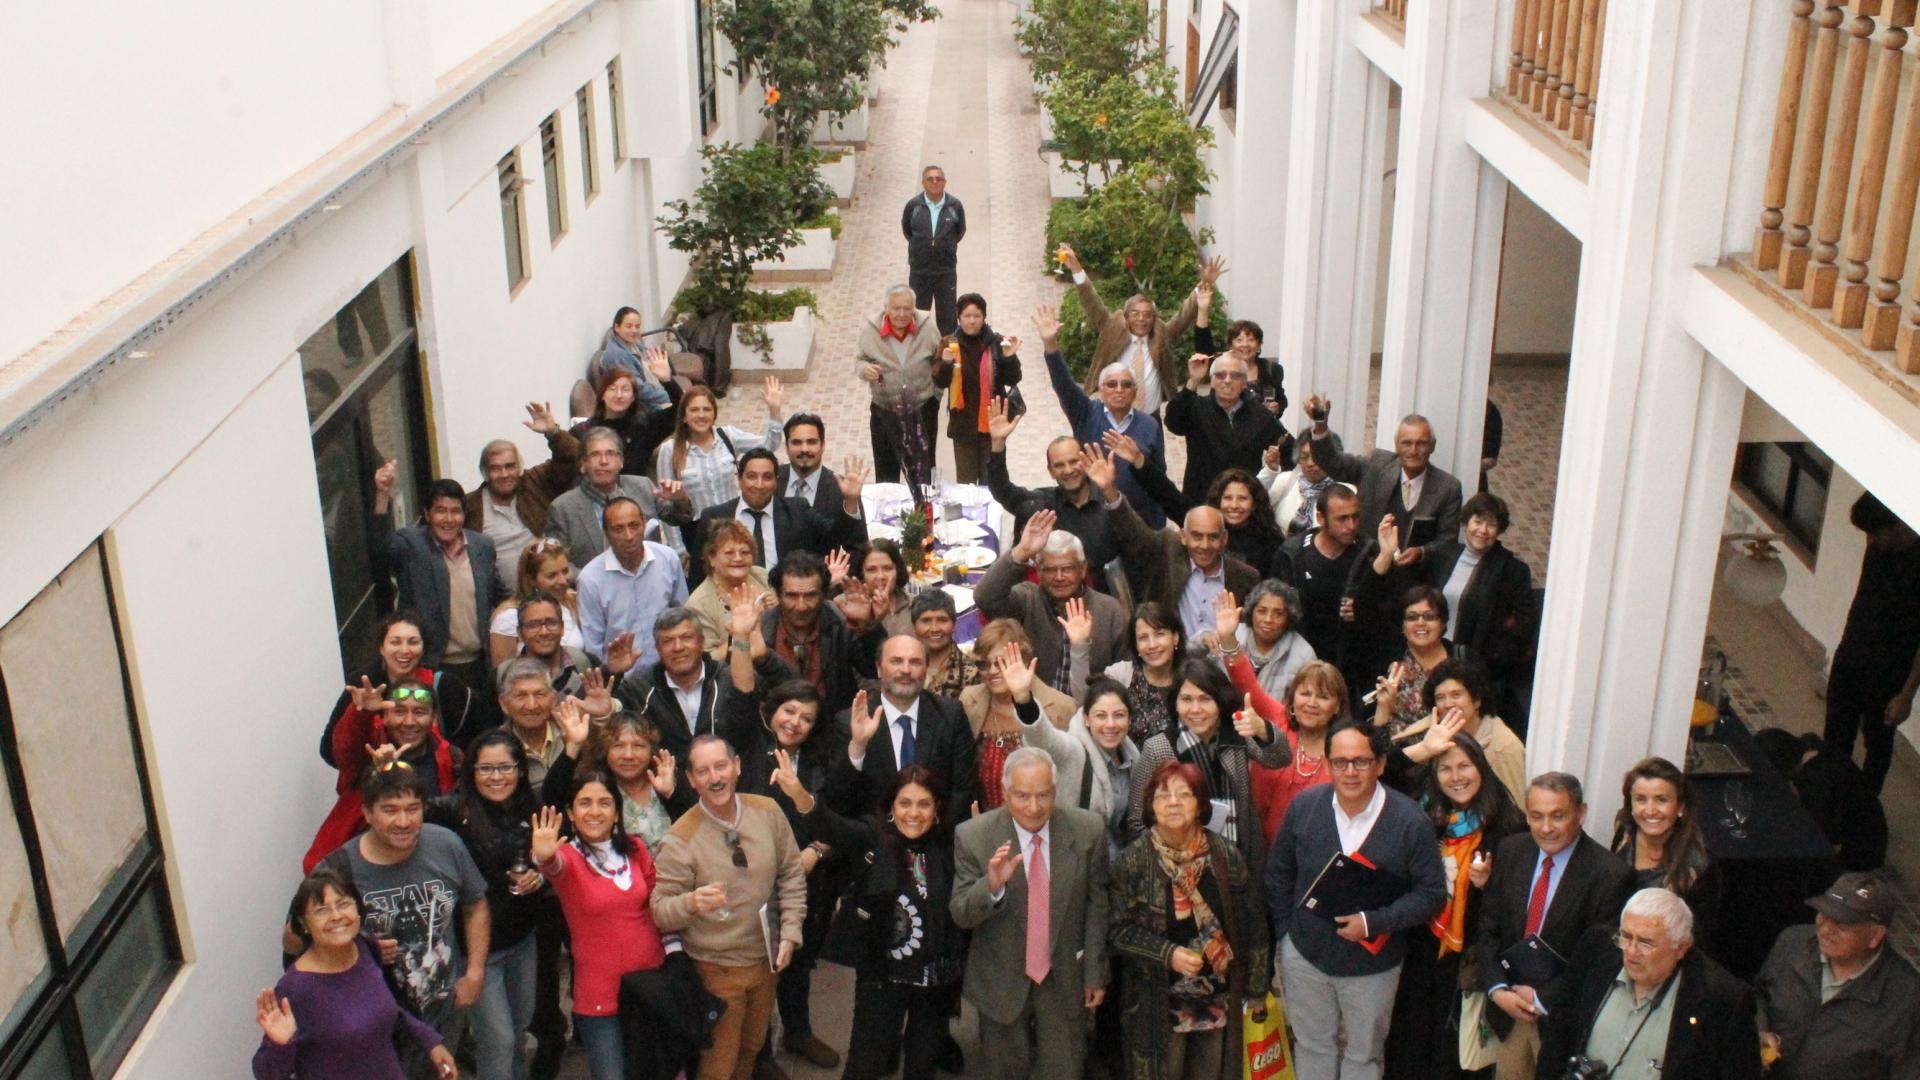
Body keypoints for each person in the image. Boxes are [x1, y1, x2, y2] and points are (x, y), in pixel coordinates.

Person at [1264, 720, 1450, 1080]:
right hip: (1305, 957)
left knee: (1363, 1057)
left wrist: (1374, 922)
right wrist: (1288, 934)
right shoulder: (1305, 807)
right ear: (1328, 763)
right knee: (1312, 1048)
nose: (1350, 771)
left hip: (1373, 968)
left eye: (1361, 761)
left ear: (1380, 764)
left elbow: (1431, 895)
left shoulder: (1410, 822)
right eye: (1340, 762)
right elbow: (1278, 874)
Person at [305, 765, 490, 1074]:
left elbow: (476, 905)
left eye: (412, 809)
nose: (403, 821)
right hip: (376, 1024)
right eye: (389, 810)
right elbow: (296, 939)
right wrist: (359, 945)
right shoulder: (338, 869)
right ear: (367, 813)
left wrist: (474, 973)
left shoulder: (447, 845)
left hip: (443, 1012)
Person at [650, 734, 810, 1080]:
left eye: (721, 766)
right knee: (719, 1063)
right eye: (703, 771)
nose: (715, 777)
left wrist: (791, 932)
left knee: (752, 1048)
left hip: (767, 961)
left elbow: (792, 873)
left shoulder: (767, 811)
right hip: (716, 970)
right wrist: (691, 902)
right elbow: (660, 910)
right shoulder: (681, 838)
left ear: (736, 767)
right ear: (691, 780)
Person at [950, 746, 1112, 1079]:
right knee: (1004, 1070)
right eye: (1022, 796)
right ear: (1006, 792)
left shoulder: (1088, 830)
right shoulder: (973, 835)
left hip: (1064, 974)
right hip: (1001, 976)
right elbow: (961, 914)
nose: (1034, 807)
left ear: (1055, 790)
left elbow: (1098, 904)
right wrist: (991, 886)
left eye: (1043, 795)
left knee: (1065, 1069)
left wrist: (1094, 970)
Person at [1109, 760, 1269, 1080]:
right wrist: (1169, 954)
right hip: (1155, 997)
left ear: (1200, 805)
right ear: (1151, 807)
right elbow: (1117, 930)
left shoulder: (1224, 855)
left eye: (1184, 795)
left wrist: (1256, 989)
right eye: (1163, 795)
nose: (1173, 803)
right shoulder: (1133, 860)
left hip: (1216, 994)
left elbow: (1252, 923)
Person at [1382, 732, 1526, 1080]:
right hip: (1418, 947)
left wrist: (1488, 885)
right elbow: (1382, 770)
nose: (1457, 777)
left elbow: (1517, 904)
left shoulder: (1508, 825)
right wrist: (1423, 749)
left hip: (1468, 958)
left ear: (1482, 768)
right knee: (1410, 1043)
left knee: (1453, 1057)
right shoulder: (1421, 815)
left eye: (1465, 766)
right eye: (1445, 768)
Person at [1478, 772, 1635, 1080]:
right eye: (1536, 816)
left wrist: (1541, 998)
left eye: (1557, 816)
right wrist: (1497, 989)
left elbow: (1601, 962)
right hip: (1510, 1012)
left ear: (1581, 813)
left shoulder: (1610, 875)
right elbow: (1488, 928)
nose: (1546, 828)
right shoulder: (1511, 851)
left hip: (1564, 1022)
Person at [253, 868, 456, 1080]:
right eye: (321, 910)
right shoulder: (295, 988)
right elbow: (266, 1074)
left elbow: (386, 1008)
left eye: (343, 904)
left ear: (358, 910)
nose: (336, 916)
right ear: (304, 925)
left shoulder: (365, 947)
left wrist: (430, 1042)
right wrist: (280, 1044)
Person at [530, 772, 669, 1080]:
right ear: (570, 812)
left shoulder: (635, 848)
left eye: (605, 803)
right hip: (600, 997)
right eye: (585, 803)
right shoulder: (566, 856)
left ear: (617, 811)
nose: (595, 811)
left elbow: (659, 903)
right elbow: (553, 867)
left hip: (650, 987)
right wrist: (542, 856)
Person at [1537, 889, 1762, 1080]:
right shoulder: (1596, 951)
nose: (1632, 952)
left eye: (1646, 942)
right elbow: (1558, 1033)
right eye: (1626, 936)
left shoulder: (1722, 999)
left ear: (1681, 948)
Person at [832, 766, 968, 1080]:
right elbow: (831, 825)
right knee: (865, 1065)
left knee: (921, 1068)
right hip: (882, 981)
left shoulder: (953, 848)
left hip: (934, 985)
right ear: (891, 807)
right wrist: (802, 798)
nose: (914, 813)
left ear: (937, 810)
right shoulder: (874, 840)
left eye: (924, 804)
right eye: (905, 803)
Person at [426, 731, 546, 1080]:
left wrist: (539, 876)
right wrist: (388, 767)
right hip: (477, 951)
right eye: (486, 769)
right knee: (499, 1040)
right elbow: (406, 810)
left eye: (505, 768)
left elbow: (547, 858)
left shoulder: (531, 806)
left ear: (521, 770)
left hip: (523, 939)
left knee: (520, 1030)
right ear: (471, 772)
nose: (496, 777)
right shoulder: (452, 810)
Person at [1357, 492, 1536, 720]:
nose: (1482, 530)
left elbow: (1524, 625)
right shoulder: (1444, 554)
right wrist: (1389, 553)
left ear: (1499, 531)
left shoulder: (1512, 571)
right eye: (1478, 521)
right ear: (1466, 523)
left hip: (1470, 669)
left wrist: (1489, 659)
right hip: (1424, 656)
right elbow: (1405, 593)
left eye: (1491, 525)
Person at [1129, 658, 1290, 880]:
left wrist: (1263, 729)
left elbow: (1280, 757)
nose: (1195, 709)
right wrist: (1169, 859)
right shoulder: (1160, 747)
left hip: (1241, 858)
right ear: (1175, 703)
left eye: (1205, 699)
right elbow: (1137, 818)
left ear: (1220, 702)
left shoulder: (1236, 734)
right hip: (1180, 870)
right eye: (1186, 699)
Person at [1754, 871, 1920, 1079]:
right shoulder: (1793, 943)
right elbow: (1757, 995)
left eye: (1842, 924)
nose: (1825, 930)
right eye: (1823, 915)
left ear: (1875, 935)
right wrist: (1759, 1030)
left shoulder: (1906, 995)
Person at [1088, 444, 1259, 640]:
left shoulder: (1245, 577)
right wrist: (1110, 491)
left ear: (1224, 539)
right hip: (1172, 661)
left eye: (1212, 537)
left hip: (1221, 664)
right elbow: (1134, 533)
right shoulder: (1168, 549)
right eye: (1196, 536)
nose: (1204, 545)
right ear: (1184, 536)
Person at [371, 470, 511, 707]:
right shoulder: (411, 545)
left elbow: (500, 594)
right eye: (440, 511)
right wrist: (382, 495)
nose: (448, 519)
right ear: (427, 514)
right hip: (432, 666)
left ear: (464, 515)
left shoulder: (482, 546)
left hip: (480, 664)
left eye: (455, 511)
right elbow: (380, 549)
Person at [308, 672, 463, 871]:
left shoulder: (452, 757)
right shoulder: (368, 749)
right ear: (385, 716)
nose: (409, 722)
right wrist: (361, 714)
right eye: (399, 712)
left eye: (419, 712)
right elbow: (345, 747)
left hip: (432, 869)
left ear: (433, 718)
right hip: (361, 873)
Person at [1033, 303, 1168, 527]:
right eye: (1111, 384)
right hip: (1093, 518)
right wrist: (1050, 345)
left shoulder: (1149, 425)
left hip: (1138, 522)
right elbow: (1063, 384)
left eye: (1126, 385)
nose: (1118, 390)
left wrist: (1159, 525)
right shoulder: (1085, 413)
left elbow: (1158, 478)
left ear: (1135, 391)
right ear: (1100, 389)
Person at [1821, 492, 1920, 793]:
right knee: (1835, 736)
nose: (1870, 541)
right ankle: (1827, 800)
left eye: (1875, 533)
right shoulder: (1877, 546)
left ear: (1899, 527)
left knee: (1877, 745)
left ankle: (1863, 810)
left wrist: (1906, 695)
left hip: (1890, 670)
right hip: (1852, 652)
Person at [1057, 243, 1225, 416]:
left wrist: (1205, 283)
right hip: (1112, 416)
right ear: (1126, 316)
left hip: (1149, 416)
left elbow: (1185, 313)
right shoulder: (1112, 329)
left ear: (1154, 318)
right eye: (1135, 314)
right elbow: (1091, 300)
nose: (1141, 319)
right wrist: (1076, 268)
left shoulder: (1161, 334)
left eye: (1147, 315)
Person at [977, 508, 1129, 693]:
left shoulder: (1109, 610)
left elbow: (1126, 673)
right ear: (1038, 572)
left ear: (1082, 570)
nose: (1059, 577)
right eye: (1049, 569)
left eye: (1067, 568)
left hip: (1091, 711)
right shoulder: (1028, 599)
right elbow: (985, 597)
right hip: (1033, 707)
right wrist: (1021, 552)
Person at [835, 635, 980, 824]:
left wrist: (928, 833)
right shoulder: (849, 722)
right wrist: (858, 747)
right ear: (878, 668)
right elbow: (839, 800)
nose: (905, 670)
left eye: (915, 662)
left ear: (926, 669)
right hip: (873, 843)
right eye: (896, 661)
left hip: (937, 839)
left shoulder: (951, 715)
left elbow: (963, 789)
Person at [1301, 393, 1465, 559]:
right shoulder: (1376, 465)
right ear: (1396, 445)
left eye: (1421, 443)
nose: (1414, 451)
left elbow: (1447, 542)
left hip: (1416, 577)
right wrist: (1320, 424)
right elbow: (1331, 462)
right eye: (1406, 443)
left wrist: (1422, 552)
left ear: (1432, 446)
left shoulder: (1448, 488)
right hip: (1367, 568)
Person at [985, 402, 1121, 591]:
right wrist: (997, 444)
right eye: (1059, 465)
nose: (1068, 470)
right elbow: (1003, 491)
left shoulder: (1111, 504)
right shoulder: (1042, 504)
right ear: (1050, 471)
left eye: (1074, 462)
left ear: (1085, 462)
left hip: (1100, 605)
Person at [682, 447, 868, 582]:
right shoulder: (714, 517)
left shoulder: (797, 510)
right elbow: (699, 577)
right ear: (739, 479)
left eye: (767, 477)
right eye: (752, 476)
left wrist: (851, 500)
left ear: (776, 481)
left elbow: (836, 539)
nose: (759, 484)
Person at [321, 612, 477, 767]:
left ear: (423, 648)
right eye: (395, 642)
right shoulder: (363, 684)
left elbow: (474, 742)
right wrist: (360, 714)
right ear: (381, 648)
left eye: (413, 642)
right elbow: (331, 752)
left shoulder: (444, 685)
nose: (404, 650)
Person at [1231, 658, 1347, 845]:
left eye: (1323, 697)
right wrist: (1228, 639)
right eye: (1305, 693)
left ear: (1337, 707)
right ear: (1292, 700)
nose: (1312, 703)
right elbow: (1245, 681)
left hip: (1310, 855)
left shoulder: (1344, 750)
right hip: (1255, 847)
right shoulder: (1277, 719)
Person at [544, 427, 695, 569]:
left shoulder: (642, 486)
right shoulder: (562, 508)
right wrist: (592, 579)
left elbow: (679, 518)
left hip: (647, 578)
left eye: (610, 453)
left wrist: (680, 500)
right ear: (583, 464)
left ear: (621, 461)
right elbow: (557, 563)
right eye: (595, 454)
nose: (604, 461)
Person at [755, 551, 883, 716]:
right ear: (779, 594)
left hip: (832, 729)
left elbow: (873, 669)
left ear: (823, 594)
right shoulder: (760, 629)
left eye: (810, 596)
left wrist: (867, 627)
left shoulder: (839, 620)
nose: (801, 606)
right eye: (792, 596)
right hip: (774, 730)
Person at [544, 710, 692, 854]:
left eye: (638, 746)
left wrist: (673, 794)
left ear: (651, 751)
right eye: (618, 746)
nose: (628, 755)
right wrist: (574, 745)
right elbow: (552, 797)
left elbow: (698, 830)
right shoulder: (595, 786)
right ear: (605, 750)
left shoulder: (668, 779)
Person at [964, 625, 1079, 809]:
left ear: (1024, 660)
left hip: (1043, 819)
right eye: (983, 664)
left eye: (1001, 662)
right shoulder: (969, 701)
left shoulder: (1060, 707)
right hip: (989, 824)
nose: (992, 671)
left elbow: (1072, 775)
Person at [1609, 758, 1720, 943]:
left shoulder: (1698, 864)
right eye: (1641, 800)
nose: (1650, 811)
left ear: (1680, 807)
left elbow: (1698, 937)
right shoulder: (1626, 834)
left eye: (1661, 800)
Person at [1388, 658, 1527, 801]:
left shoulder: (1504, 748)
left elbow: (1515, 810)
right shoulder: (1424, 731)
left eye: (1456, 695)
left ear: (1477, 700)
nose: (1448, 704)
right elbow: (1384, 766)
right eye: (1440, 697)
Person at [1752, 727, 1888, 872]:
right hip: (1870, 829)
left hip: (1860, 850)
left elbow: (1825, 837)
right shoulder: (1819, 749)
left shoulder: (1815, 782)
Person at [468, 402, 582, 572]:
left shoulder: (536, 482)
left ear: (520, 466)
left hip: (548, 589)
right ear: (484, 472)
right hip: (502, 596)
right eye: (496, 468)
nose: (504, 474)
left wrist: (553, 433)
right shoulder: (470, 506)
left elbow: (573, 457)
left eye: (510, 466)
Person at [575, 496, 689, 666]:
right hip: (623, 679)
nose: (629, 536)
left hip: (669, 669)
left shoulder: (667, 559)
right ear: (606, 532)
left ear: (644, 523)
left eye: (634, 526)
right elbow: (594, 646)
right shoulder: (590, 579)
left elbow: (683, 615)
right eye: (618, 529)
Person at [1165, 353, 1288, 501]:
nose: (1227, 381)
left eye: (1235, 376)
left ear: (1244, 382)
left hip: (1242, 503)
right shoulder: (1197, 408)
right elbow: (1173, 423)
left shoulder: (1259, 414)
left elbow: (1288, 448)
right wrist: (1193, 381)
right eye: (1220, 375)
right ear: (1212, 381)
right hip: (1201, 501)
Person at [654, 379, 787, 515]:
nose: (701, 415)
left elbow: (768, 445)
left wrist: (774, 410)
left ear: (714, 414)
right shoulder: (670, 450)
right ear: (684, 417)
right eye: (694, 410)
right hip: (696, 529)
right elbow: (666, 504)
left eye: (707, 409)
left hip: (732, 522)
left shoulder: (728, 436)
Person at [856, 284, 943, 487]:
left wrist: (935, 398)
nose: (902, 314)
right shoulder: (871, 330)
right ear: (886, 308)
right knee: (886, 475)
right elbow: (859, 360)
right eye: (896, 308)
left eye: (907, 308)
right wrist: (864, 370)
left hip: (922, 410)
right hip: (885, 410)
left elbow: (939, 362)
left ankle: (924, 514)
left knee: (923, 474)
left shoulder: (928, 328)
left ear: (914, 308)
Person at [1271, 484, 1363, 670]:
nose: (1351, 526)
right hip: (1300, 660)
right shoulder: (1292, 555)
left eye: (1355, 517)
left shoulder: (1368, 555)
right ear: (1321, 518)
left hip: (1353, 662)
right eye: (1342, 519)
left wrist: (1363, 611)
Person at [934, 293, 1022, 482]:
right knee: (966, 485)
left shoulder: (997, 342)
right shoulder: (949, 343)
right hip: (963, 425)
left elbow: (1013, 379)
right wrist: (946, 364)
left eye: (977, 316)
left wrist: (1009, 357)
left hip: (992, 424)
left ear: (984, 317)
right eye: (967, 316)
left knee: (991, 482)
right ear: (959, 317)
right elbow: (939, 382)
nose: (972, 321)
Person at [1074, 601, 1188, 744]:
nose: (1152, 645)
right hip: (1136, 764)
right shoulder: (1123, 675)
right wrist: (1079, 647)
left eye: (1159, 634)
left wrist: (1226, 641)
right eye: (1143, 638)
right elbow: (1085, 700)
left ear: (1175, 637)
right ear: (1136, 645)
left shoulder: (1191, 675)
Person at [1368, 586, 1458, 736]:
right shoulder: (1386, 660)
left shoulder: (1462, 658)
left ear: (1442, 623)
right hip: (1396, 752)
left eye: (1429, 616)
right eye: (1412, 617)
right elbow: (1373, 728)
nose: (1420, 623)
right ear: (1403, 625)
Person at [684, 520, 773, 659]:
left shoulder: (762, 576)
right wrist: (743, 631)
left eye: (744, 552)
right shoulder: (698, 605)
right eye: (729, 553)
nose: (738, 558)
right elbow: (708, 658)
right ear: (711, 558)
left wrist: (776, 609)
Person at [1217, 578, 1315, 703]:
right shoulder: (1231, 634)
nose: (1268, 619)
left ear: (1289, 617)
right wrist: (1205, 638)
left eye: (1278, 614)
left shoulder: (1304, 655)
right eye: (1261, 611)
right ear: (1251, 611)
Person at [489, 540, 585, 666]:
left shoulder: (572, 602)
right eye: (552, 575)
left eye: (565, 571)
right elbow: (502, 675)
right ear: (531, 580)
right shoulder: (508, 618)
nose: (562, 580)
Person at [572, 364, 676, 478]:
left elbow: (682, 411)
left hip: (634, 492)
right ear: (602, 395)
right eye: (612, 389)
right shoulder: (583, 431)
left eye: (625, 389)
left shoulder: (644, 426)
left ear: (633, 397)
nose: (619, 395)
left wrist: (667, 381)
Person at [1193, 292, 1287, 413]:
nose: (1245, 344)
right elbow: (1203, 348)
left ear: (1259, 345)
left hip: (1260, 429)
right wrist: (1202, 309)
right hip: (1224, 428)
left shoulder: (1272, 370)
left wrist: (1277, 407)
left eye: (1251, 340)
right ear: (1230, 344)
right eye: (1239, 340)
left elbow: (1281, 399)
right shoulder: (1221, 365)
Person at [902, 165, 965, 333]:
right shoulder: (913, 206)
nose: (935, 182)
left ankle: (947, 355)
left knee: (948, 316)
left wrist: (945, 246)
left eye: (939, 179)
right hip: (920, 272)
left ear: (945, 182)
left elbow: (960, 232)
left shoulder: (954, 206)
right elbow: (907, 231)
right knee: (919, 316)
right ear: (923, 183)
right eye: (930, 179)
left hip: (946, 271)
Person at [590, 306, 676, 417]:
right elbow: (639, 389)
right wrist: (668, 395)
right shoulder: (617, 355)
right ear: (616, 327)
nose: (634, 330)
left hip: (656, 391)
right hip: (646, 407)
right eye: (629, 326)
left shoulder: (634, 343)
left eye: (637, 326)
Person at [1259, 434, 1339, 538]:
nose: (1310, 463)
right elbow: (1253, 498)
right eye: (1304, 457)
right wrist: (1270, 471)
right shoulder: (1287, 481)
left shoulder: (1344, 493)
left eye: (1318, 456)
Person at [912, 589, 979, 698]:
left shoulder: (970, 673)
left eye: (942, 620)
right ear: (914, 627)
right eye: (926, 621)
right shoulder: (904, 666)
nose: (934, 629)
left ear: (954, 625)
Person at [774, 413, 840, 513]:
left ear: (823, 445)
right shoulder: (771, 479)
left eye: (811, 442)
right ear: (787, 447)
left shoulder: (839, 488)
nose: (804, 449)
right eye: (796, 442)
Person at [851, 540, 914, 637]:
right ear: (861, 575)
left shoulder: (915, 606)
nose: (880, 576)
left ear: (898, 570)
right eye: (871, 570)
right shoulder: (850, 610)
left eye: (887, 568)